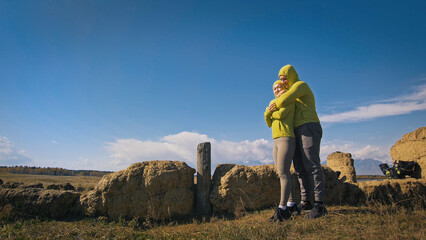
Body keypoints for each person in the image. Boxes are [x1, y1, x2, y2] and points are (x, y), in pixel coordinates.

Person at [269, 64, 327, 219]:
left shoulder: (300, 86)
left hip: (309, 126)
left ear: (291, 75)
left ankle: (319, 205)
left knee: (312, 165)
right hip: (296, 131)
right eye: (281, 80)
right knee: (300, 168)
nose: (284, 82)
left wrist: (274, 103)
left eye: (285, 78)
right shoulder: (291, 91)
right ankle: (306, 201)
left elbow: (282, 101)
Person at [264, 80, 298, 222]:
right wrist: (268, 112)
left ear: (284, 87)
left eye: (278, 86)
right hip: (275, 141)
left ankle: (282, 208)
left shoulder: (289, 99)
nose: (276, 89)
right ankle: (292, 204)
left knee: (284, 173)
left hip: (286, 138)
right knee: (281, 173)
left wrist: (271, 112)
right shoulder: (273, 103)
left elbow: (282, 115)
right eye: (274, 88)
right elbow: (268, 121)